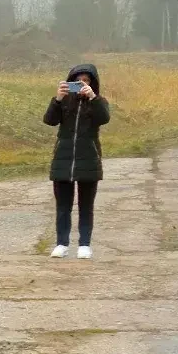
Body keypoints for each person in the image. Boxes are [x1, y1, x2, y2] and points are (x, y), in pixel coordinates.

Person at [45, 63, 110, 260]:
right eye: (78, 80)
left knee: (86, 207)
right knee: (63, 207)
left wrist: (93, 98)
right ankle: (61, 244)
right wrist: (58, 99)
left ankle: (84, 245)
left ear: (92, 83)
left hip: (88, 160)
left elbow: (104, 118)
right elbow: (49, 120)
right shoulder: (64, 101)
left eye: (86, 80)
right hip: (63, 160)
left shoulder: (98, 102)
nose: (82, 83)